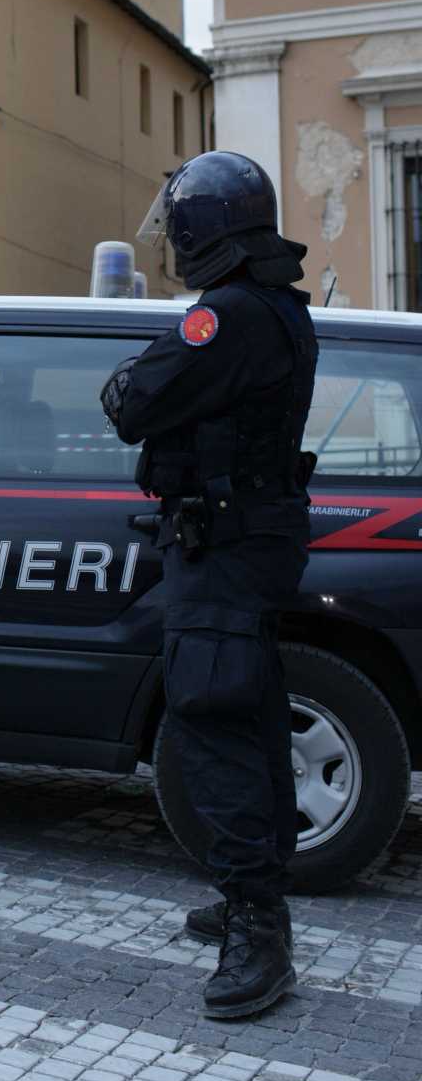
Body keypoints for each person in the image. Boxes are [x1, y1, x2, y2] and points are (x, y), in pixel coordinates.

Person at [99, 151, 317, 1021]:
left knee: (214, 718)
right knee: (251, 712)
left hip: (224, 545)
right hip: (250, 537)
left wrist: (138, 374)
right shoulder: (277, 306)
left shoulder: (224, 317)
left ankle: (258, 934)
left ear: (201, 231)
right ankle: (255, 896)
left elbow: (129, 405)